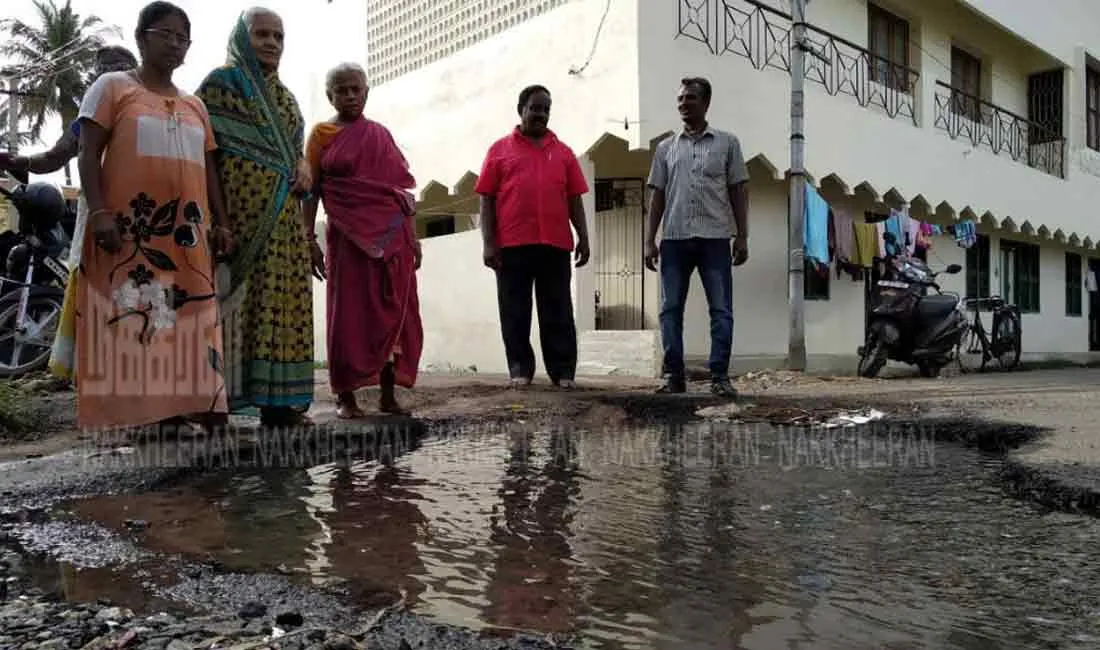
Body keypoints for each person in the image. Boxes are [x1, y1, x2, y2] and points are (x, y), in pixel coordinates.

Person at [74, 1, 233, 432]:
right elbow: (88, 151)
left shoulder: (196, 105)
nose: (175, 45)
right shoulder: (112, 88)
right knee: (146, 317)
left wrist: (221, 222)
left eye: (183, 39)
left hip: (186, 235)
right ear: (142, 37)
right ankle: (153, 416)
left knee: (191, 316)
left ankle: (198, 406)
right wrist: (100, 212)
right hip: (134, 233)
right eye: (166, 35)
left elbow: (211, 167)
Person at [195, 7, 317, 428]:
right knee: (232, 309)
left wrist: (304, 165)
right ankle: (216, 403)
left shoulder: (286, 99)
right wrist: (219, 220)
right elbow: (204, 152)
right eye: (261, 34)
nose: (270, 43)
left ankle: (279, 406)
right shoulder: (219, 85)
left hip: (284, 223)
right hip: (237, 220)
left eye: (278, 37)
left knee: (281, 309)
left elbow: (298, 153)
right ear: (242, 38)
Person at [0, 45, 140, 383]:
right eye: (104, 69)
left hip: (139, 212)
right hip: (97, 211)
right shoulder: (87, 119)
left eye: (120, 68)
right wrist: (20, 162)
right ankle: (78, 369)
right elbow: (54, 157)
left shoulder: (146, 110)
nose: (111, 76)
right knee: (90, 280)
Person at [303, 63, 423, 419]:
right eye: (342, 90)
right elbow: (311, 191)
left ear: (367, 92)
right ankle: (346, 398)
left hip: (392, 240)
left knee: (393, 310)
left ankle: (388, 396)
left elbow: (400, 192)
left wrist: (413, 240)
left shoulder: (380, 135)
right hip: (346, 240)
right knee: (348, 316)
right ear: (330, 96)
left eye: (356, 89)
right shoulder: (321, 135)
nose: (350, 96)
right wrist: (308, 237)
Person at [474, 84, 590, 390]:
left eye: (546, 109)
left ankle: (563, 372)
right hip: (512, 246)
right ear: (521, 110)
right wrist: (489, 242)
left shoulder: (563, 153)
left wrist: (584, 236)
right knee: (515, 311)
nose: (541, 114)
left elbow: (575, 199)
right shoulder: (499, 151)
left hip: (555, 244)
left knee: (559, 310)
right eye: (535, 108)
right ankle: (519, 369)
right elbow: (486, 199)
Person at [644, 76, 749, 398]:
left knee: (720, 309)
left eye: (689, 98)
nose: (683, 104)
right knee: (670, 309)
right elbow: (657, 195)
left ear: (705, 102)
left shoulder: (727, 143)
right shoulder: (665, 148)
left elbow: (738, 189)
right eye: (679, 99)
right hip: (674, 239)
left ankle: (720, 377)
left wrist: (742, 236)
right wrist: (649, 240)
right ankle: (673, 375)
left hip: (715, 238)